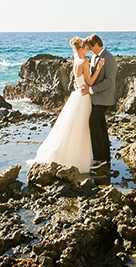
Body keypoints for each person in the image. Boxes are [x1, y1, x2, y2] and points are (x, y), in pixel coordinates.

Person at [31, 37, 105, 174]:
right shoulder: (83, 62)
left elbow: (76, 81)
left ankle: (71, 156)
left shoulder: (75, 61)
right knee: (82, 128)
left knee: (72, 127)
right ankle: (81, 160)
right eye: (86, 48)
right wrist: (99, 68)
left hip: (76, 95)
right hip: (83, 97)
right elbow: (90, 81)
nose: (88, 49)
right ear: (81, 49)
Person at [79, 33, 116, 170]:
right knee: (101, 126)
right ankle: (105, 157)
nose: (88, 49)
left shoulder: (109, 58)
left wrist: (91, 90)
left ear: (96, 44)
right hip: (95, 98)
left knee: (93, 122)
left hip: (105, 98)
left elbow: (109, 82)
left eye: (89, 46)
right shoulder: (94, 57)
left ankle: (99, 158)